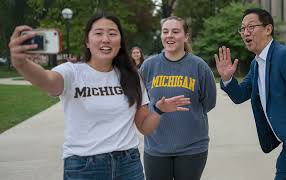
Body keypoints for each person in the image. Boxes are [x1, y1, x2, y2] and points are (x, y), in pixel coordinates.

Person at [9, 11, 191, 180]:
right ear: (87, 41)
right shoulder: (72, 72)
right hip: (83, 166)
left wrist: (158, 110)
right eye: (98, 34)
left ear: (120, 42)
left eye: (112, 34)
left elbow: (144, 127)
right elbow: (47, 80)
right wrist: (21, 64)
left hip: (128, 165)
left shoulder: (132, 76)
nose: (106, 39)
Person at [215, 8, 286, 180]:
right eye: (242, 29)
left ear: (268, 29)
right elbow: (240, 95)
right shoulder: (257, 64)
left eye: (251, 27)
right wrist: (227, 79)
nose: (245, 32)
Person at [140, 16, 217, 180]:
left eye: (175, 31)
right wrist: (158, 109)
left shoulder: (199, 66)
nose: (169, 36)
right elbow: (142, 105)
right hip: (156, 147)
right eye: (165, 31)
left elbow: (209, 102)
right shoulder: (149, 66)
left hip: (192, 148)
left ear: (186, 36)